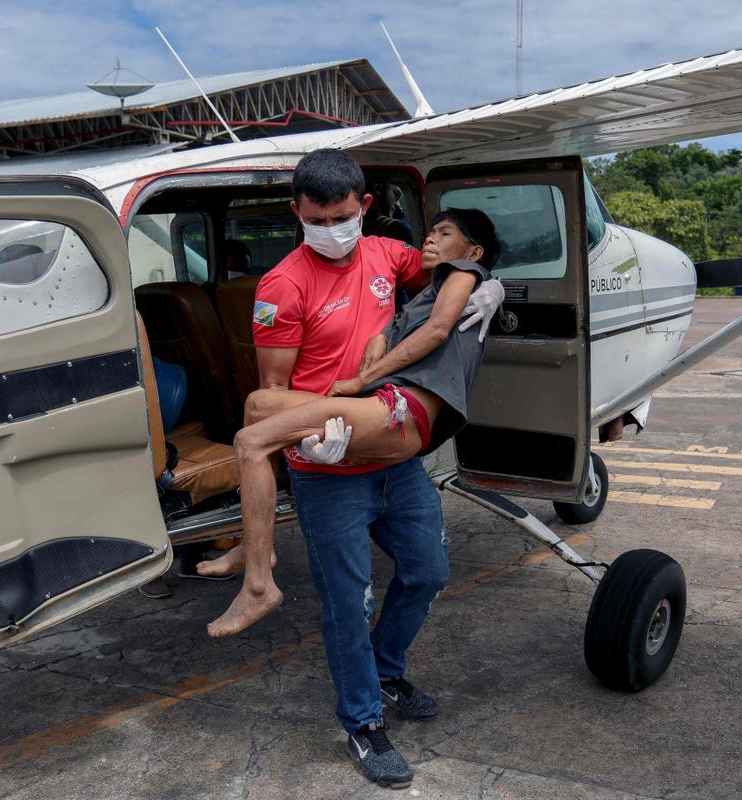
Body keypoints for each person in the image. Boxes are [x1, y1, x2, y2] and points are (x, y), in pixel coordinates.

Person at [197, 148, 504, 789]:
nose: (330, 229)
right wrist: (308, 447)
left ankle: (386, 670)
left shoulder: (389, 255)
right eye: (315, 219)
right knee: (346, 600)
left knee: (427, 572)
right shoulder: (281, 286)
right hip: (327, 464)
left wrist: (491, 284)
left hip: (393, 454)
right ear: (297, 214)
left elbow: (449, 276)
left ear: (363, 207)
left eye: (341, 216)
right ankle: (362, 723)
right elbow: (274, 391)